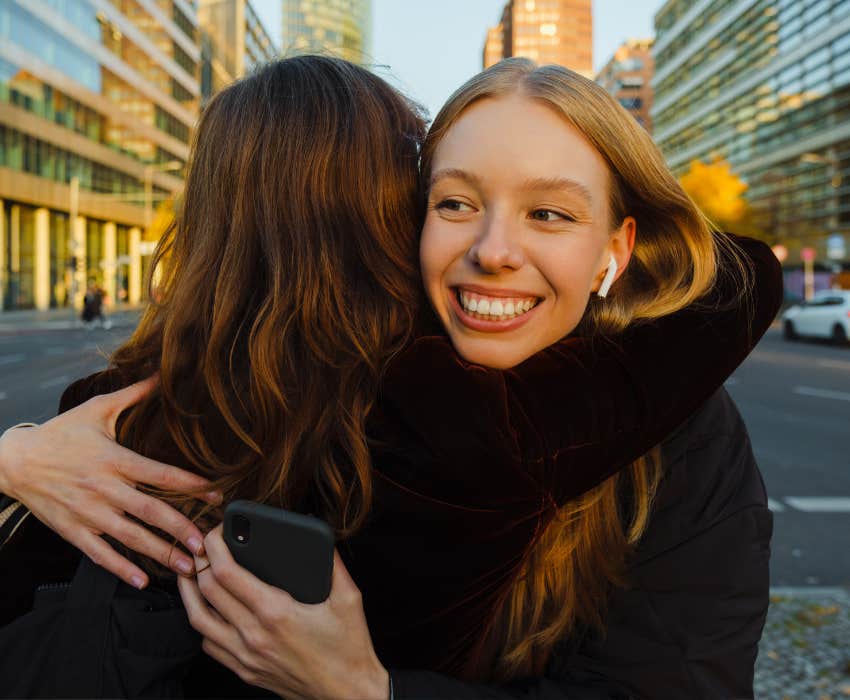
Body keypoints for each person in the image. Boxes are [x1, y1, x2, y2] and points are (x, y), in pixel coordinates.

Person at [0, 56, 781, 697]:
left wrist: (367, 692)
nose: (495, 249)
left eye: (550, 213)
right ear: (401, 221)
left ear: (617, 245)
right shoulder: (360, 402)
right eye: (454, 202)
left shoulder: (677, 434)